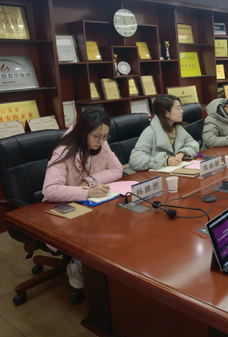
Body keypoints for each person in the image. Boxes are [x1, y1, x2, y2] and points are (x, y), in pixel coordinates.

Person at [42, 108, 123, 289]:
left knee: (119, 222)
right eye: (97, 137)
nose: (101, 141)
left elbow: (117, 169)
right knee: (99, 231)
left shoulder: (101, 143)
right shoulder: (64, 151)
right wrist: (87, 192)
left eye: (105, 136)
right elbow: (49, 190)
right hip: (65, 209)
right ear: (83, 132)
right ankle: (78, 265)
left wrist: (89, 182)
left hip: (91, 206)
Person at [129, 94, 199, 171]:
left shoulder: (177, 128)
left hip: (175, 171)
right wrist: (165, 161)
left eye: (181, 108)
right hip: (156, 175)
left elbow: (193, 143)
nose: (182, 111)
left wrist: (182, 153)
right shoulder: (150, 132)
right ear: (166, 113)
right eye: (178, 108)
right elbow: (135, 160)